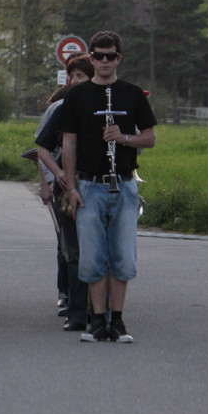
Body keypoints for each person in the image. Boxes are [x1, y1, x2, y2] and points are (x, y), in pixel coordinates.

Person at [59, 31, 157, 343]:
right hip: (89, 185)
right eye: (98, 56)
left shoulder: (132, 94)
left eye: (110, 56)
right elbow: (69, 144)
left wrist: (124, 138)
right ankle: (97, 321)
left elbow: (150, 138)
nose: (104, 61)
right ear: (91, 58)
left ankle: (118, 321)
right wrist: (71, 188)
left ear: (119, 59)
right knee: (92, 258)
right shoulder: (76, 96)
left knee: (122, 257)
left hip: (125, 185)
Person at [35, 53, 94, 332]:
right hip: (67, 188)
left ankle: (100, 309)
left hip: (98, 185)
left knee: (98, 250)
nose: (75, 81)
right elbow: (42, 148)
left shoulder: (105, 107)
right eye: (73, 76)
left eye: (81, 75)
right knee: (72, 250)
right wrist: (55, 175)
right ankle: (76, 309)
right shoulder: (60, 108)